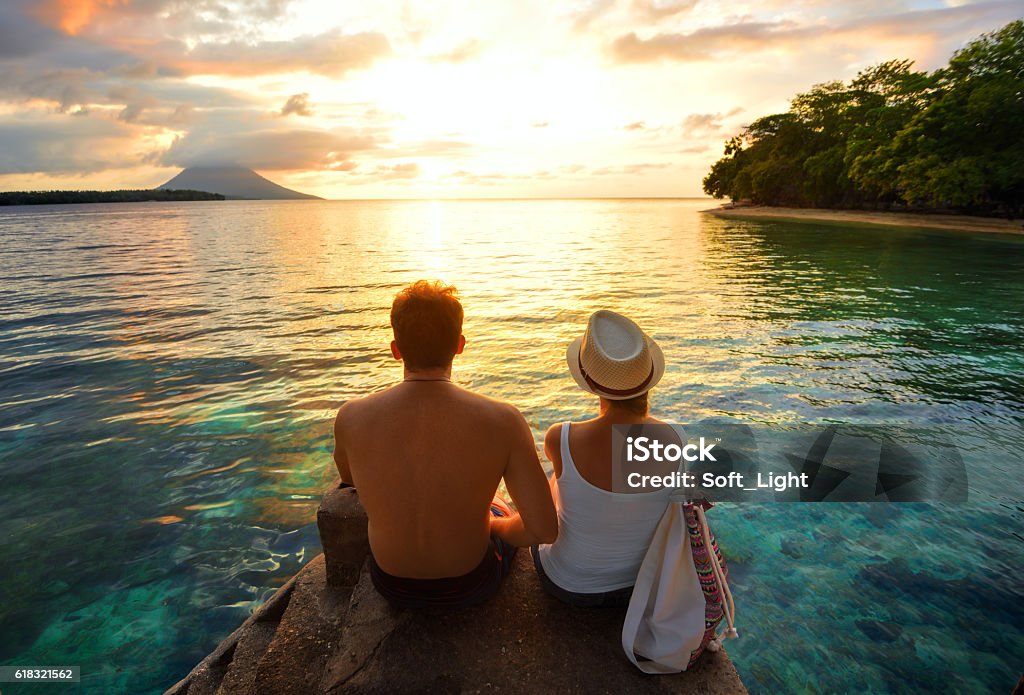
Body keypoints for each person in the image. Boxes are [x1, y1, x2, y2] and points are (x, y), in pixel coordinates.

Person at [333, 280, 557, 609]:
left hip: (391, 584)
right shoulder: (503, 419)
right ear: (459, 344)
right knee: (498, 504)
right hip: (470, 584)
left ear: (396, 349)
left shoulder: (351, 417)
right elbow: (543, 530)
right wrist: (496, 525)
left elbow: (349, 480)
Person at [533, 310, 674, 607]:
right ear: (649, 378)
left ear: (592, 384)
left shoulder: (562, 437)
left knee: (557, 480)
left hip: (568, 584)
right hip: (639, 585)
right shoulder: (679, 440)